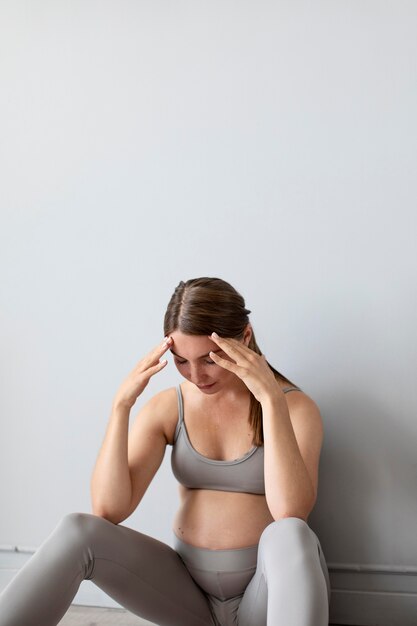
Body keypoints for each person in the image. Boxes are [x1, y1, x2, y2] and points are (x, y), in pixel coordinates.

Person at [0, 277, 330, 626]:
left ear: (244, 338)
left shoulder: (295, 408)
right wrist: (121, 406)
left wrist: (270, 401)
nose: (197, 376)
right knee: (77, 530)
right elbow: (109, 509)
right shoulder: (169, 407)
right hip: (187, 597)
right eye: (182, 361)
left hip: (265, 599)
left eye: (209, 359)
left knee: (291, 533)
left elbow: (291, 510)